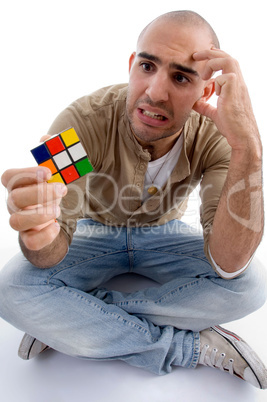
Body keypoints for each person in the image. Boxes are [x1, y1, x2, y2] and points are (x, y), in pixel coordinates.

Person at [0, 10, 266, 389]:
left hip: (166, 234)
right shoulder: (78, 123)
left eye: (180, 77)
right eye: (147, 66)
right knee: (12, 289)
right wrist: (41, 236)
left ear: (205, 91)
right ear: (131, 66)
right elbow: (51, 251)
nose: (155, 92)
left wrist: (249, 148)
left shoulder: (219, 135)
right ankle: (188, 348)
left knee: (252, 284)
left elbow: (229, 264)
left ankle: (73, 321)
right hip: (92, 234)